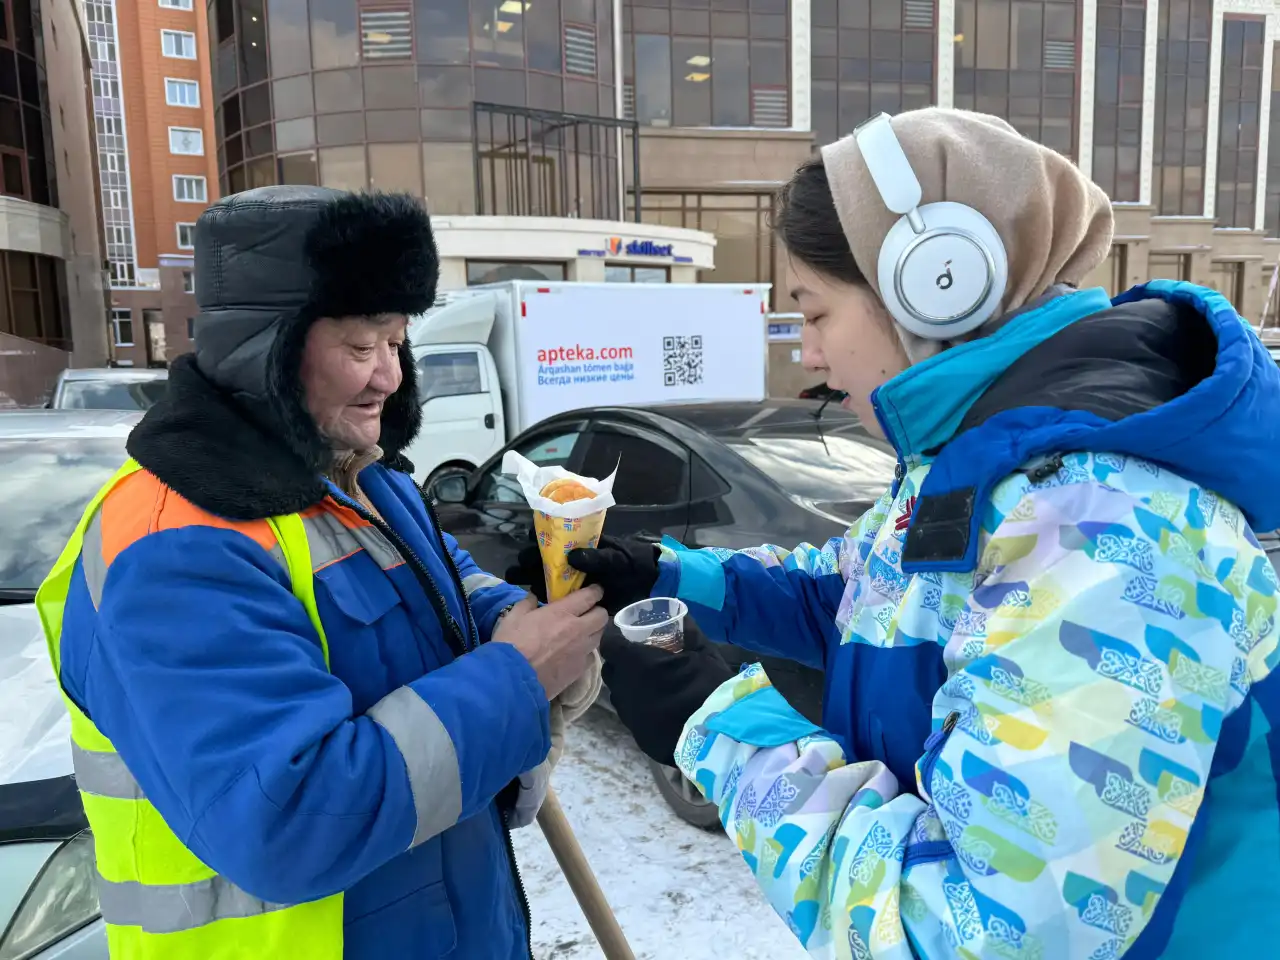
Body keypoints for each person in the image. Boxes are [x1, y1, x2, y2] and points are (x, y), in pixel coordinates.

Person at [513, 109, 1280, 958]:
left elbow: (971, 933)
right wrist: (669, 576)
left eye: (813, 311)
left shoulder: (1104, 526)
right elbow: (861, 600)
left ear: (935, 286)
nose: (805, 352)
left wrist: (720, 728)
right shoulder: (982, 470)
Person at [36, 185, 607, 959]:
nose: (391, 378)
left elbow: (443, 586)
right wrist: (518, 675)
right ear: (267, 346)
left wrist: (517, 616)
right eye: (362, 347)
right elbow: (292, 816)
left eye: (398, 342)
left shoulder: (364, 482)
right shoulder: (174, 549)